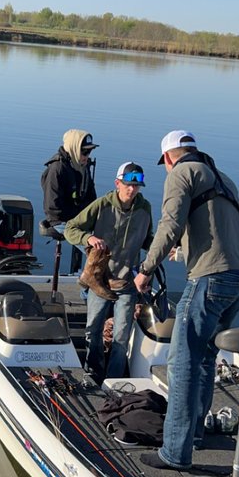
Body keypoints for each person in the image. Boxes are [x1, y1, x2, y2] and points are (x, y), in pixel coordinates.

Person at [134, 130, 239, 471]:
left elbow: (168, 224)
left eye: (165, 165)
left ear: (169, 158)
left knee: (182, 363)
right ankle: (195, 434)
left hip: (210, 279)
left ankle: (174, 452)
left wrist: (145, 269)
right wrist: (184, 249)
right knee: (204, 359)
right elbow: (219, 230)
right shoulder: (225, 179)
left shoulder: (182, 173)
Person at [65, 162, 153, 382]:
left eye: (136, 186)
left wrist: (163, 248)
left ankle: (114, 381)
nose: (132, 190)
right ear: (117, 183)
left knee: (121, 337)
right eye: (127, 185)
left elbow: (147, 240)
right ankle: (93, 373)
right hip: (100, 281)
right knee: (92, 330)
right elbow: (70, 229)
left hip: (127, 283)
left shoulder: (145, 208)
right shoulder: (101, 205)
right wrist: (88, 238)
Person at [41, 130, 98, 272]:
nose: (87, 156)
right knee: (96, 252)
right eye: (84, 152)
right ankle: (89, 290)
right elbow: (52, 208)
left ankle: (85, 281)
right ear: (74, 148)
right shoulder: (56, 169)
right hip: (60, 221)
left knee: (108, 240)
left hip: (79, 220)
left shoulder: (83, 167)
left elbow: (92, 200)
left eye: (89, 152)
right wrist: (77, 223)